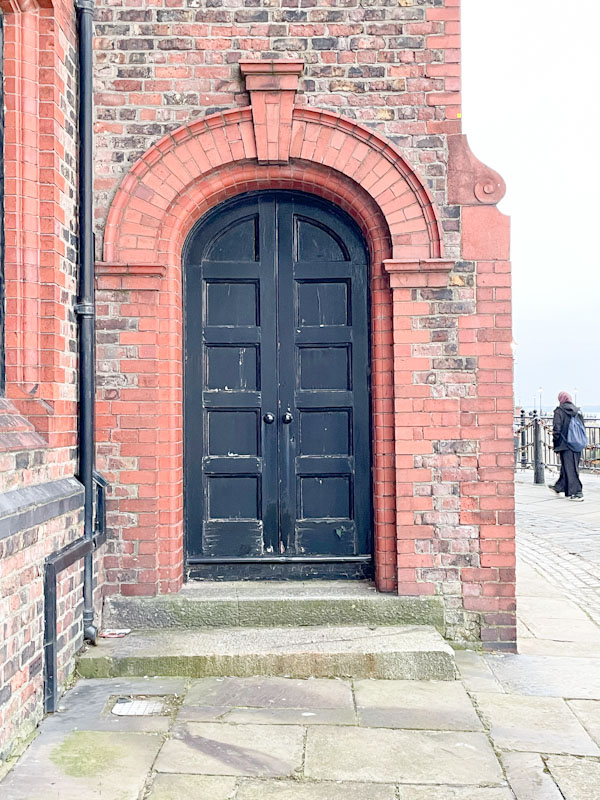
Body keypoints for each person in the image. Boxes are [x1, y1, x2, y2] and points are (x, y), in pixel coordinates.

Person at [550, 391, 585, 501]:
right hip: (577, 443)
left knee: (570, 468)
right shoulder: (577, 411)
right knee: (569, 466)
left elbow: (557, 429)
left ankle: (577, 492)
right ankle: (559, 486)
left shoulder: (559, 411)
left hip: (565, 444)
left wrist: (556, 442)